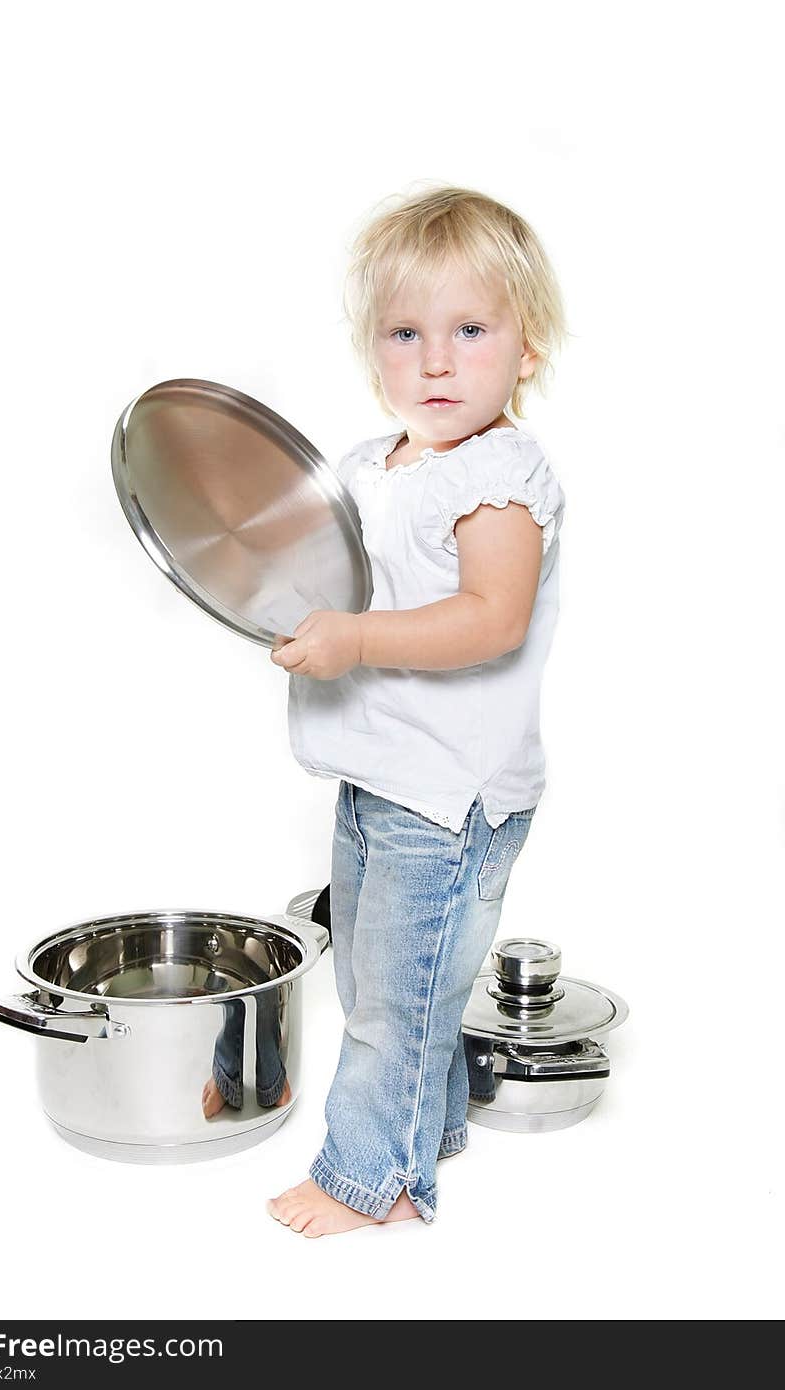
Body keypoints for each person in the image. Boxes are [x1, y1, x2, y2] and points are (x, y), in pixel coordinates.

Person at [266, 184, 568, 1237]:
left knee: (395, 1006)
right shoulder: (366, 467)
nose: (435, 361)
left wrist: (350, 641)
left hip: (449, 796)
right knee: (383, 982)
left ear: (527, 349)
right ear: (373, 350)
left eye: (470, 330)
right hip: (375, 775)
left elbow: (487, 618)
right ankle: (428, 1128)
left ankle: (371, 1182)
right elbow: (336, 581)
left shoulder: (497, 474)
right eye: (406, 332)